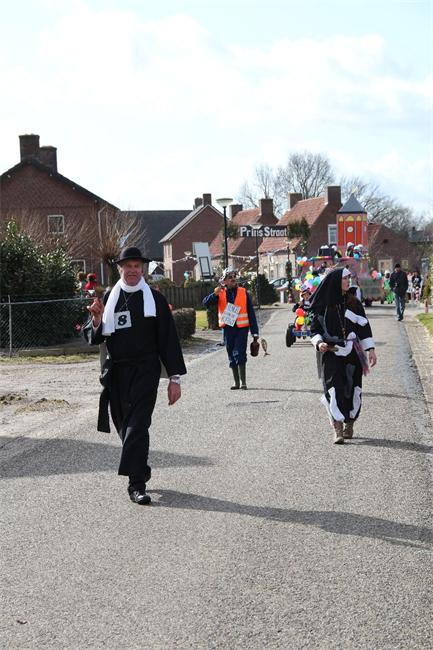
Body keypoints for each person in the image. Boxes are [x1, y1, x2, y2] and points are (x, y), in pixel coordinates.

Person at [83, 246, 186, 505]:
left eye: (137, 266)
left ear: (143, 270)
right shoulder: (109, 297)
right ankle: (141, 467)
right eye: (127, 266)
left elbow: (168, 340)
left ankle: (136, 485)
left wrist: (174, 379)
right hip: (117, 373)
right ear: (120, 269)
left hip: (145, 372)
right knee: (124, 428)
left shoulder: (155, 299)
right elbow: (95, 336)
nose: (132, 271)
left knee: (137, 426)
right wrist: (97, 319)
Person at [309, 268, 377, 444]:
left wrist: (370, 349)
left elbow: (363, 326)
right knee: (333, 387)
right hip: (331, 351)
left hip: (353, 352)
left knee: (353, 387)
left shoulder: (354, 303)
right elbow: (314, 330)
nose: (349, 281)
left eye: (349, 278)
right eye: (345, 278)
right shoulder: (323, 305)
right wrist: (319, 343)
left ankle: (350, 423)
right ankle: (337, 426)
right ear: (336, 281)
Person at [203, 267, 259, 389]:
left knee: (240, 353)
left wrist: (255, 333)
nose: (233, 279)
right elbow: (205, 303)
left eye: (234, 277)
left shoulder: (243, 292)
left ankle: (243, 382)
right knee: (230, 353)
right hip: (228, 329)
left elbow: (251, 313)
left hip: (241, 328)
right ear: (224, 280)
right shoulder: (220, 292)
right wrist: (214, 294)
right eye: (230, 277)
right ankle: (236, 382)